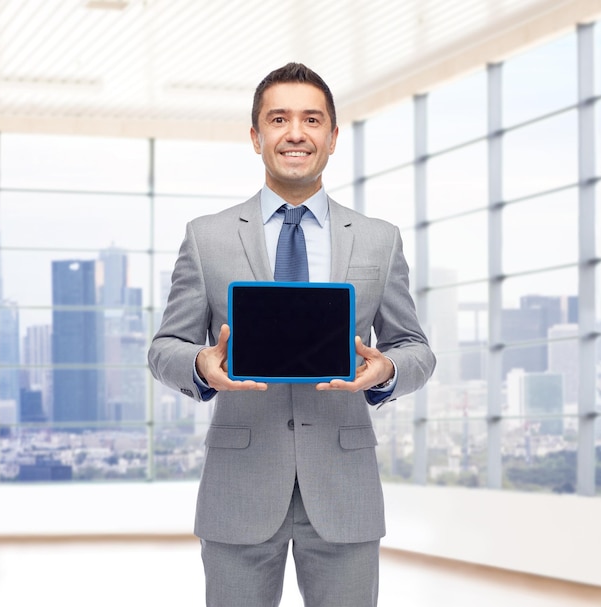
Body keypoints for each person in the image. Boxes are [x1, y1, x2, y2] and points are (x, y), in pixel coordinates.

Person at [148, 62, 436, 607]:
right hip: (239, 486)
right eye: (278, 119)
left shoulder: (378, 240)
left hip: (344, 487)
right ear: (256, 137)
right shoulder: (206, 238)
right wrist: (201, 366)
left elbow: (415, 346)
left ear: (332, 137)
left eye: (311, 119)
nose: (295, 133)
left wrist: (387, 370)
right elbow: (165, 347)